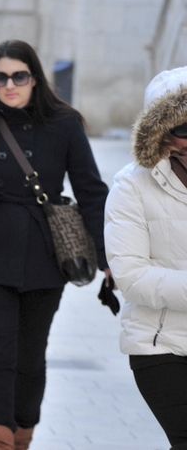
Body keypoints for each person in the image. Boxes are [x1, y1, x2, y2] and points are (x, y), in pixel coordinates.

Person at [0, 40, 110, 450]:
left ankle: (23, 433)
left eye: (19, 76)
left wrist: (108, 257)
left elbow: (91, 191)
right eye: (1, 77)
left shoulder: (64, 124)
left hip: (43, 258)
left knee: (30, 357)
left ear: (35, 78)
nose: (10, 85)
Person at [104, 66, 187, 450]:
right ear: (160, 134)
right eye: (183, 128)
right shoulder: (130, 185)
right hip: (162, 346)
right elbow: (131, 275)